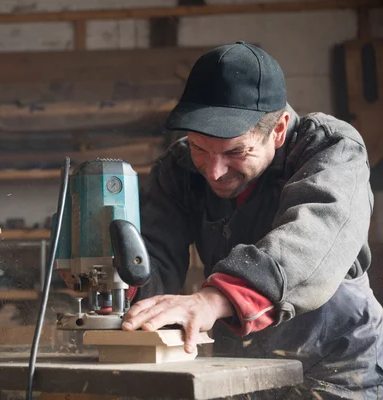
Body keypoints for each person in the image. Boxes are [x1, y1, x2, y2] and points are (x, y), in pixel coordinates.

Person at [121, 41, 383, 399]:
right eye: (200, 147)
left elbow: (313, 238)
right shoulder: (180, 169)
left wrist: (212, 300)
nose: (213, 171)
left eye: (235, 151)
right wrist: (121, 287)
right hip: (238, 370)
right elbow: (153, 256)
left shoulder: (330, 150)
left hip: (338, 369)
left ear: (278, 129)